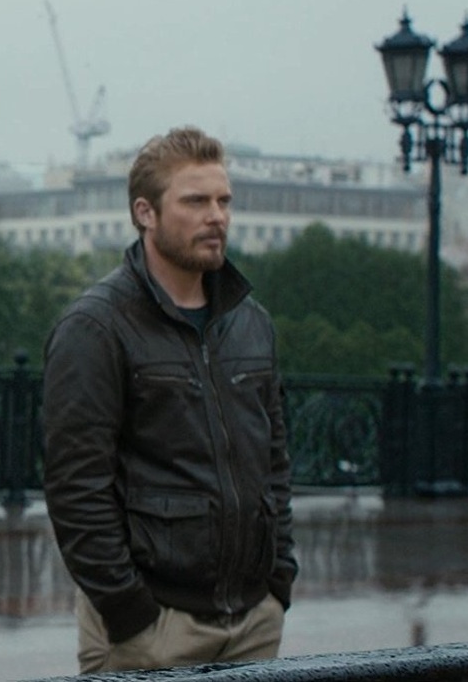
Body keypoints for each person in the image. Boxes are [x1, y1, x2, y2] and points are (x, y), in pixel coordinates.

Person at [40, 125, 297, 674]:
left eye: (224, 201)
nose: (217, 216)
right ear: (145, 213)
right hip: (153, 628)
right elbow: (75, 486)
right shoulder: (95, 327)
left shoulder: (251, 323)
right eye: (196, 201)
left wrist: (279, 584)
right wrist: (129, 612)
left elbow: (273, 461)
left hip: (254, 622)